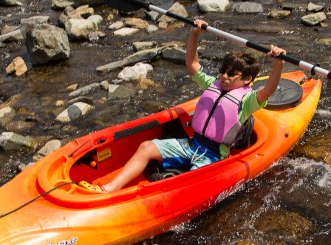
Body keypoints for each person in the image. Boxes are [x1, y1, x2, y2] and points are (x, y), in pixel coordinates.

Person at [80, 19, 286, 193]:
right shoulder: (212, 84)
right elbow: (192, 63)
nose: (224, 76)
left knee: (189, 182)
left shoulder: (248, 101)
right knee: (146, 147)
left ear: (247, 79)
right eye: (223, 71)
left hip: (214, 155)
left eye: (232, 74)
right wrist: (194, 34)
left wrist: (278, 64)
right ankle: (107, 190)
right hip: (192, 144)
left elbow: (268, 89)